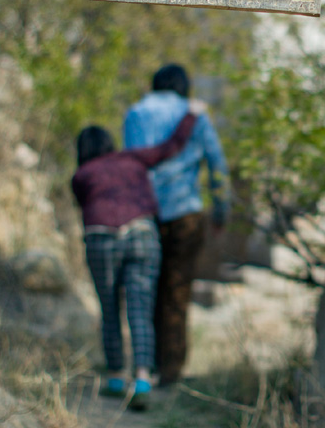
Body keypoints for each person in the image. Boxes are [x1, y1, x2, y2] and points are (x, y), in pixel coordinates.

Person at [71, 103, 202, 410]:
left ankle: (117, 377)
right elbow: (171, 148)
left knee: (109, 308)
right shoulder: (132, 158)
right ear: (109, 144)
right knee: (140, 309)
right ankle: (142, 379)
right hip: (142, 232)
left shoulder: (81, 175)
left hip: (101, 237)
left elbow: (85, 206)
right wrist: (191, 115)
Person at [123, 64, 231, 386]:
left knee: (147, 291)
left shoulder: (136, 112)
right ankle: (171, 371)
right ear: (184, 86)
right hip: (186, 214)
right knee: (177, 292)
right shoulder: (195, 114)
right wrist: (221, 210)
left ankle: (146, 365)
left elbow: (133, 164)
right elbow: (217, 163)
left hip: (147, 214)